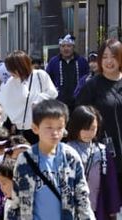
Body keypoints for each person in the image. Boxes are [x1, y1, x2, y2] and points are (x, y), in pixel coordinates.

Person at [12, 99, 95, 219]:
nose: (55, 133)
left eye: (59, 127)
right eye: (49, 127)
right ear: (35, 128)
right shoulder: (25, 159)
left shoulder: (71, 157)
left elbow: (82, 197)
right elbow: (16, 200)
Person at [76, 38, 122, 198]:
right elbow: (80, 117)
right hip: (103, 154)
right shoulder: (92, 86)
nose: (109, 61)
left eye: (114, 56)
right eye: (104, 57)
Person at [67, 105, 120, 219]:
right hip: (73, 207)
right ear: (76, 127)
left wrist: (113, 209)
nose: (89, 133)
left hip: (97, 205)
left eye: (93, 128)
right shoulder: (66, 150)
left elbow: (111, 183)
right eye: (85, 129)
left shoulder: (102, 150)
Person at [0, 50, 58, 144]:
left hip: (41, 126)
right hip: (20, 130)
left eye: (12, 69)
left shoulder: (40, 75)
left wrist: (38, 99)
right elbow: (0, 104)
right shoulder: (9, 83)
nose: (10, 72)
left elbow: (53, 93)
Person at [46, 34, 89, 112]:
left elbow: (86, 80)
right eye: (63, 46)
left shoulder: (82, 61)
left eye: (69, 46)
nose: (66, 48)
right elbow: (47, 80)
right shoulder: (53, 62)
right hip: (59, 103)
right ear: (59, 47)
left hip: (78, 103)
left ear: (73, 47)